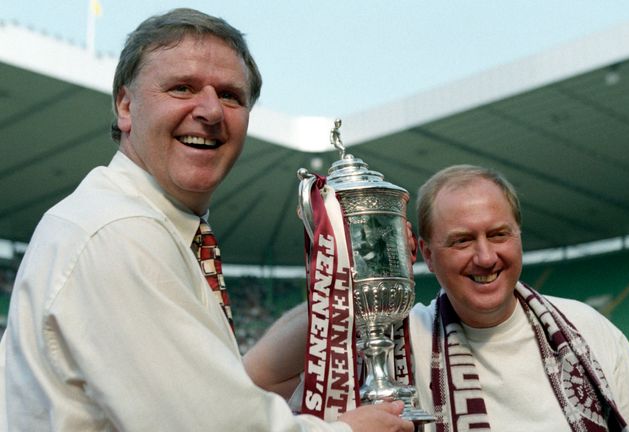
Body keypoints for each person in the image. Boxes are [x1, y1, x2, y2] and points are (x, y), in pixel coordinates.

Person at [0, 8, 412, 432]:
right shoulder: (119, 231)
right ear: (125, 106)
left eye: (232, 95)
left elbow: (219, 392)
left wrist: (345, 281)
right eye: (182, 88)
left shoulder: (141, 223)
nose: (212, 111)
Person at [247, 165, 629, 431]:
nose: (486, 257)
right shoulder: (402, 338)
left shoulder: (586, 330)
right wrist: (357, 274)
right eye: (462, 240)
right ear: (426, 255)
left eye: (499, 234)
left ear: (519, 239)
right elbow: (256, 378)